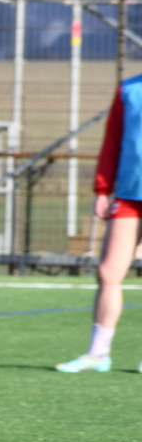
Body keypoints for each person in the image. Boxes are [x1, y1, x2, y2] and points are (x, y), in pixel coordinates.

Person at [56, 70, 142, 373]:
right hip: (130, 194)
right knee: (108, 273)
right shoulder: (129, 89)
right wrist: (103, 189)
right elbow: (113, 141)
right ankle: (97, 353)